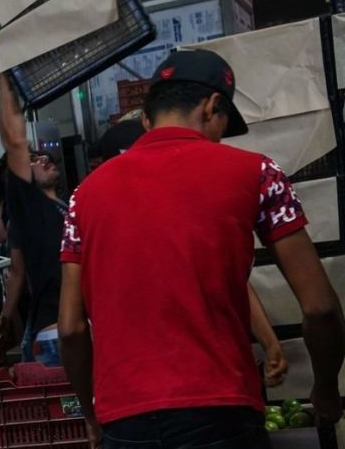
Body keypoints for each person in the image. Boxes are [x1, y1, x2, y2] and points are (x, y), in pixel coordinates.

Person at [57, 49, 345, 449]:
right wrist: (326, 390)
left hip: (129, 430)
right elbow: (322, 306)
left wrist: (93, 412)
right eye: (222, 119)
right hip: (222, 423)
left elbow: (72, 329)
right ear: (212, 106)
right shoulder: (255, 172)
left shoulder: (86, 194)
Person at [88, 110, 292, 389]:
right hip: (176, 382)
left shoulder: (177, 212)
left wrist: (269, 343)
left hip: (169, 384)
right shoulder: (100, 215)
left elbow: (230, 279)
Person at [0, 72, 68, 364]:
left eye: (42, 156)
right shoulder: (30, 207)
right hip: (57, 337)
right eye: (32, 160)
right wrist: (3, 73)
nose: (44, 158)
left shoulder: (63, 205)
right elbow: (14, 139)